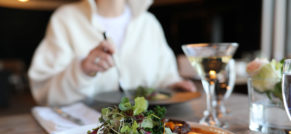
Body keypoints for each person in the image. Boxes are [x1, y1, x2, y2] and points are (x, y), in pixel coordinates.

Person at [28, 0, 196, 106]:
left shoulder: (149, 23)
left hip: (145, 133)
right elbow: (44, 94)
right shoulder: (65, 19)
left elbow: (165, 75)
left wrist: (172, 85)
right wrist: (82, 70)